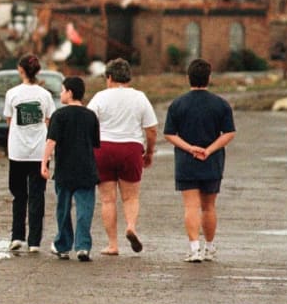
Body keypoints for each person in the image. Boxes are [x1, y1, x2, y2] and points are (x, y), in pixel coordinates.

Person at [163, 59, 236, 263]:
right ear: (209, 78)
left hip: (186, 160)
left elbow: (169, 134)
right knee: (209, 207)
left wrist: (189, 147)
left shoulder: (177, 104)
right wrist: (209, 149)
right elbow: (229, 133)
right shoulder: (221, 104)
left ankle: (194, 248)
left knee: (190, 206)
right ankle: (210, 248)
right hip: (212, 161)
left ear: (188, 78)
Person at [87, 58, 158, 255]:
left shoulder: (100, 97)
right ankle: (131, 227)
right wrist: (149, 152)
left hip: (104, 148)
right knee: (130, 197)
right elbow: (151, 130)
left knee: (108, 200)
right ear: (128, 77)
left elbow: (88, 123)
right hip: (131, 148)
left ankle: (112, 245)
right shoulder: (140, 97)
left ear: (109, 77)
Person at [41, 76, 100, 262]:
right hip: (86, 169)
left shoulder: (60, 115)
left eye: (62, 90)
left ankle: (63, 245)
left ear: (70, 92)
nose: (60, 94)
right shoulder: (91, 115)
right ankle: (83, 246)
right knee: (85, 209)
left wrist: (44, 163)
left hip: (65, 169)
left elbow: (51, 141)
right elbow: (95, 144)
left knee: (63, 209)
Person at [3, 54, 57, 253]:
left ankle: (17, 236)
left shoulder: (12, 94)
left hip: (17, 151)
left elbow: (9, 121)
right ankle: (34, 240)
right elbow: (49, 120)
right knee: (37, 195)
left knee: (19, 195)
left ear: (21, 70)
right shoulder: (45, 95)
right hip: (39, 152)